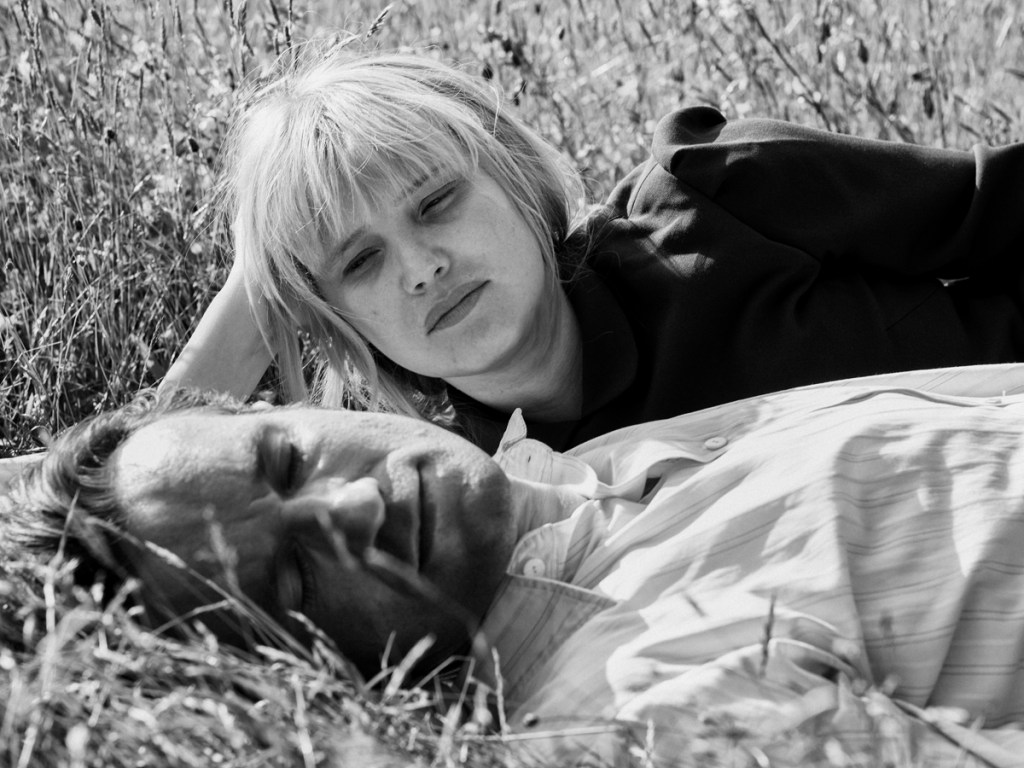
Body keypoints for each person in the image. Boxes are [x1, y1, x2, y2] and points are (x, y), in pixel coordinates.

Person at [10, 364, 1024, 767]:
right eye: (291, 579)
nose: (355, 507)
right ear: (307, 675)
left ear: (288, 401)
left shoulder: (564, 468)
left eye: (287, 461)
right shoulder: (647, 713)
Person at [162, 46, 1024, 453]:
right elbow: (142, 506)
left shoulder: (718, 198)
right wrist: (264, 274)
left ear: (512, 174)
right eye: (359, 262)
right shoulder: (467, 489)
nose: (420, 267)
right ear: (335, 319)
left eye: (436, 202)